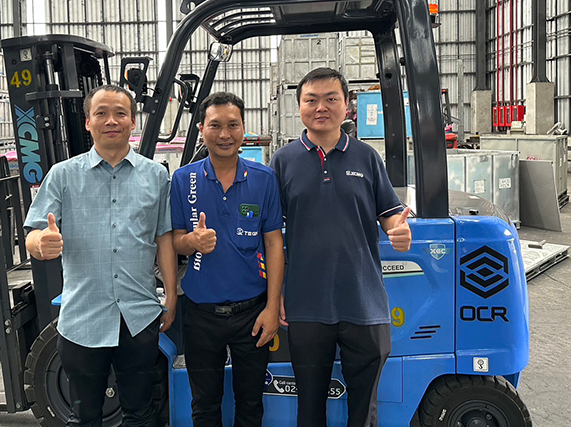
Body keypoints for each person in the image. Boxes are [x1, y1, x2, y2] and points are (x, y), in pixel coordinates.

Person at [24, 84, 177, 427]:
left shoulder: (156, 176)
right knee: (85, 415)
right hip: (83, 318)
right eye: (101, 113)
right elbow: (34, 233)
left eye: (120, 113)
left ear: (133, 122)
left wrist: (171, 295)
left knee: (141, 413)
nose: (111, 121)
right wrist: (40, 243)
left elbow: (164, 238)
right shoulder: (63, 175)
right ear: (88, 122)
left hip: (138, 315)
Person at [269, 68, 412, 427]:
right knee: (309, 406)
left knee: (364, 409)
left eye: (331, 99)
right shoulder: (283, 162)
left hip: (364, 302)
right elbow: (270, 235)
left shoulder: (367, 157)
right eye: (311, 100)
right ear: (299, 106)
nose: (321, 107)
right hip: (306, 304)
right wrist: (276, 293)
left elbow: (390, 215)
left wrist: (399, 231)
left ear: (346, 105)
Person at [170, 92, 285, 427]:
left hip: (252, 313)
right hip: (201, 314)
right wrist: (191, 241)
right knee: (205, 405)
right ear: (201, 129)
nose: (224, 134)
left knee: (250, 403)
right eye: (215, 125)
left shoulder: (264, 179)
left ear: (243, 128)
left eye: (233, 125)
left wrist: (272, 307)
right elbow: (174, 241)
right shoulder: (183, 180)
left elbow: (274, 244)